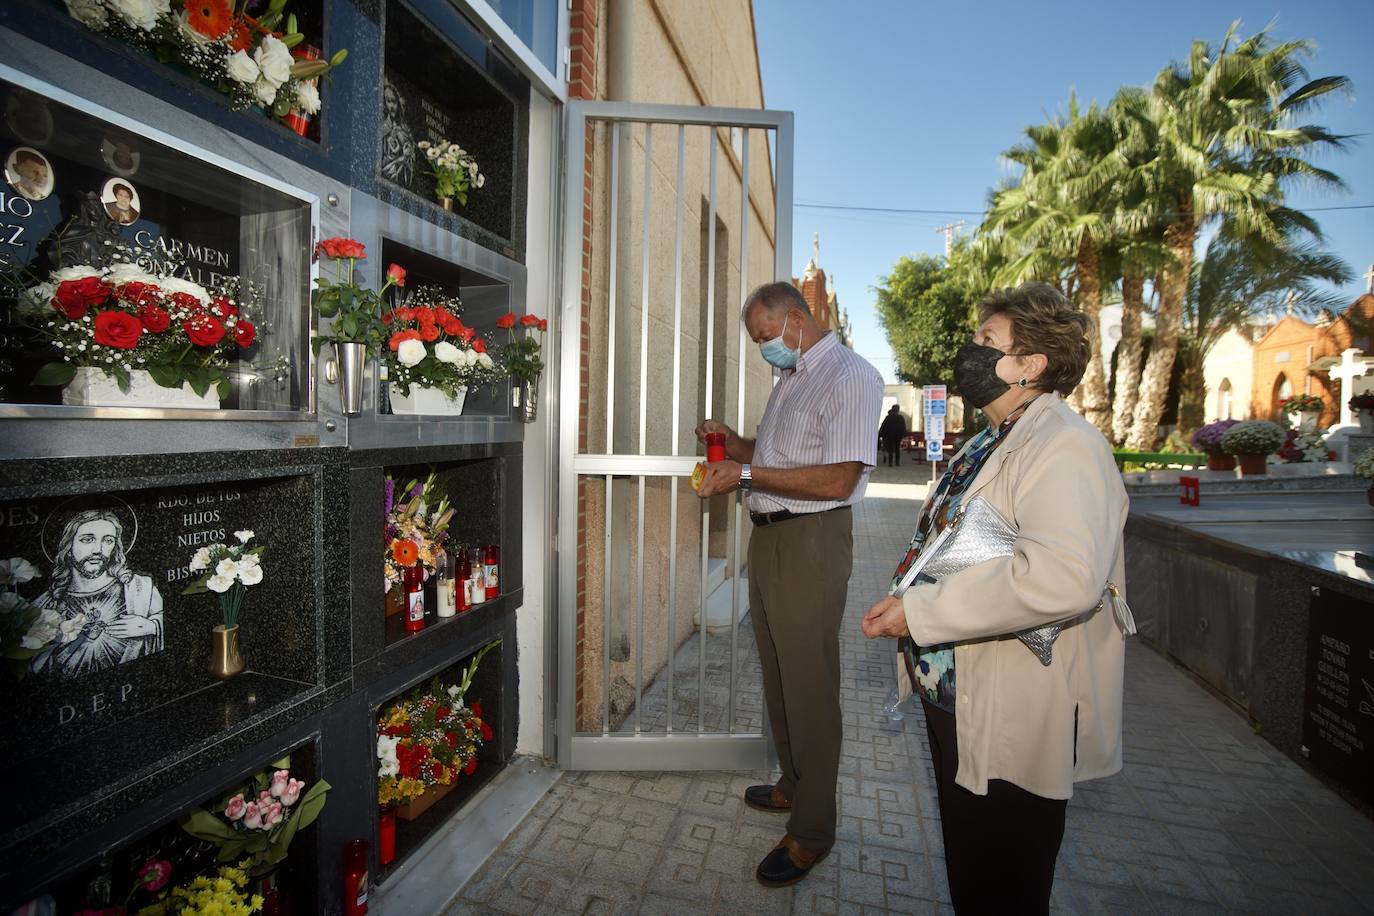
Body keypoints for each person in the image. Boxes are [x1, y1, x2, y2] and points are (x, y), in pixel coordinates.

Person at [860, 282, 1129, 914]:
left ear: (1031, 364)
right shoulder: (997, 435)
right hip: (960, 693)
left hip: (1012, 702)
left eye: (987, 341)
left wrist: (920, 611)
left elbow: (1063, 577)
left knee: (1003, 879)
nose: (969, 351)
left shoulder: (1066, 446)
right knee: (970, 864)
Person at [695, 280, 882, 888]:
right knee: (777, 673)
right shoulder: (793, 376)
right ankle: (793, 786)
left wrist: (746, 469)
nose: (762, 348)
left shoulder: (851, 377)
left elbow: (836, 479)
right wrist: (735, 445)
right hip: (771, 536)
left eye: (764, 336)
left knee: (809, 686)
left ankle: (811, 833)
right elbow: (780, 460)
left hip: (813, 541)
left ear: (798, 320)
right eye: (756, 340)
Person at [31, 508, 164, 677]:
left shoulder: (139, 589)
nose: (98, 550)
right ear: (68, 545)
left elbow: (166, 620)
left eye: (108, 541)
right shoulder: (46, 604)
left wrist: (151, 626)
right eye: (88, 540)